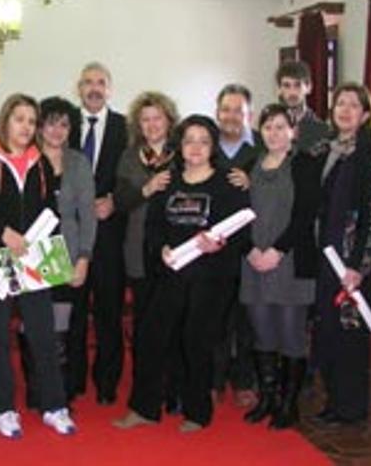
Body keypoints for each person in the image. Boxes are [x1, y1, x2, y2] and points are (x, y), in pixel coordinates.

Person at [114, 114, 249, 433]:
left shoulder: (228, 183)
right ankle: (144, 408)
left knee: (196, 343)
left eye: (204, 141)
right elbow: (154, 227)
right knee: (149, 337)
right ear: (180, 145)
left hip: (211, 279)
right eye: (189, 140)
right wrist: (159, 248)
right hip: (172, 275)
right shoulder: (167, 181)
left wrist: (219, 244)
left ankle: (197, 412)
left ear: (213, 146)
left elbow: (243, 232)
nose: (196, 147)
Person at [0, 93, 77, 439]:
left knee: (43, 334)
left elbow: (49, 212)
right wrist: (2, 233)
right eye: (19, 119)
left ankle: (54, 405)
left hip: (33, 261)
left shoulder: (41, 164)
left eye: (31, 121)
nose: (25, 127)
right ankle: (3, 409)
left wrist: (46, 246)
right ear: (6, 121)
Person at [307, 83, 371, 427]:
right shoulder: (325, 150)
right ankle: (334, 401)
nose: (345, 110)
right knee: (326, 331)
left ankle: (351, 408)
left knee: (351, 336)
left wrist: (359, 267)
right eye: (340, 103)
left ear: (365, 114)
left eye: (354, 105)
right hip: (324, 255)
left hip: (352, 261)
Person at [240, 103, 317, 429]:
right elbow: (236, 213)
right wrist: (250, 250)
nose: (274, 133)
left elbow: (306, 215)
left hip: (290, 262)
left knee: (291, 336)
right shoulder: (248, 166)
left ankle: (289, 403)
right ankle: (268, 397)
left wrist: (277, 251)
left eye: (280, 127)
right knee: (263, 335)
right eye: (268, 127)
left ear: (293, 131)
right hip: (253, 261)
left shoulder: (305, 164)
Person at [19, 96, 96, 408]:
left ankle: (59, 394)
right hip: (29, 251)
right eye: (51, 122)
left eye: (64, 124)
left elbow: (87, 214)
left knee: (60, 328)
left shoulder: (78, 162)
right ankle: (35, 389)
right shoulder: (22, 158)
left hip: (66, 251)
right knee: (30, 326)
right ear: (39, 125)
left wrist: (84, 258)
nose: (57, 130)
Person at [67, 61, 128, 404]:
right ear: (78, 87)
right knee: (73, 311)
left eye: (100, 82)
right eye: (88, 81)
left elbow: (136, 176)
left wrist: (115, 201)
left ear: (110, 89)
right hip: (71, 236)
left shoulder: (126, 128)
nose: (94, 88)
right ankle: (73, 380)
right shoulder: (62, 126)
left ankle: (107, 382)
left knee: (108, 313)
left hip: (109, 237)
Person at [114, 91, 179, 410]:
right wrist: (146, 188)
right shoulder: (129, 156)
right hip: (138, 248)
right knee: (144, 322)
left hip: (175, 250)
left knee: (174, 321)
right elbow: (121, 202)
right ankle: (145, 387)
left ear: (169, 120)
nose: (152, 125)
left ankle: (173, 387)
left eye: (157, 118)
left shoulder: (183, 153)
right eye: (145, 119)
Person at [213, 83, 262, 407]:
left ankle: (245, 378)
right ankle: (214, 379)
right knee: (213, 315)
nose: (231, 117)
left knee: (247, 317)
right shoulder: (204, 142)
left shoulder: (262, 145)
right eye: (226, 110)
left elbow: (281, 186)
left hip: (250, 244)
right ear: (217, 112)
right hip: (211, 245)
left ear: (249, 114)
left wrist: (254, 182)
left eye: (238, 111)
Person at [275, 60, 329, 150]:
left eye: (297, 85)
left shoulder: (321, 130)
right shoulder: (271, 127)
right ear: (279, 89)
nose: (292, 92)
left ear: (309, 87)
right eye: (286, 85)